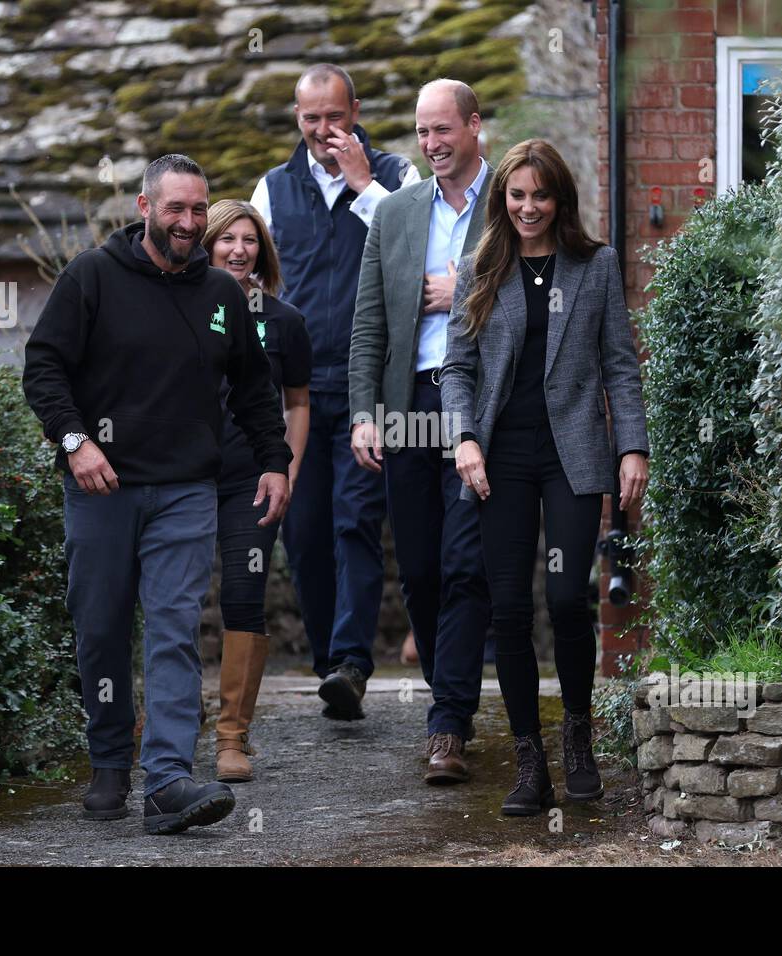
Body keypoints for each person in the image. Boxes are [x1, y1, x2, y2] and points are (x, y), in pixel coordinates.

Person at [22, 154, 292, 834]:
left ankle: (169, 779)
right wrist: (75, 442)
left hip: (185, 491)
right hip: (102, 491)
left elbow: (258, 389)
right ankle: (110, 760)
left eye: (199, 210)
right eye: (176, 208)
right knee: (102, 628)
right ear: (145, 207)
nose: (189, 222)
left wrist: (274, 461)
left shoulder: (222, 297)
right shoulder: (92, 277)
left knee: (173, 629)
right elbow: (44, 366)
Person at [439, 140, 649, 815]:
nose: (528, 207)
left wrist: (633, 448)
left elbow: (620, 361)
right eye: (517, 195)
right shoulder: (481, 267)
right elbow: (457, 370)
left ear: (561, 199)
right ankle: (530, 761)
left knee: (565, 599)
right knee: (507, 609)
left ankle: (579, 741)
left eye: (541, 195)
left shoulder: (595, 265)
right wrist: (464, 437)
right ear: (503, 199)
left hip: (574, 453)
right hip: (500, 458)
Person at [250, 64, 420, 719]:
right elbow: (250, 274)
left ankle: (352, 661)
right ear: (298, 119)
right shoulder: (273, 188)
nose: (324, 131)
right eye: (311, 119)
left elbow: (415, 247)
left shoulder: (396, 177)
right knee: (305, 533)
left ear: (355, 110)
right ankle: (329, 665)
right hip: (293, 394)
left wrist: (361, 186)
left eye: (334, 116)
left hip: (366, 390)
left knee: (355, 522)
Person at [349, 79, 491, 784]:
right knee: (425, 571)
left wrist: (460, 290)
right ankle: (449, 700)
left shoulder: (512, 202)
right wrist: (364, 413)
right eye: (422, 132)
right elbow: (369, 321)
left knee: (468, 563)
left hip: (479, 407)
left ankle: (448, 724)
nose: (432, 144)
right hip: (407, 405)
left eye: (444, 130)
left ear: (474, 127)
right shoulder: (398, 213)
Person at [203, 199, 312, 782]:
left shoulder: (285, 321)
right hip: (183, 476)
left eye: (249, 240)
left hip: (252, 479)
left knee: (244, 599)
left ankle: (231, 740)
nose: (239, 250)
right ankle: (159, 726)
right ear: (207, 245)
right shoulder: (184, 309)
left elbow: (297, 402)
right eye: (227, 240)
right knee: (169, 600)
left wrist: (286, 470)